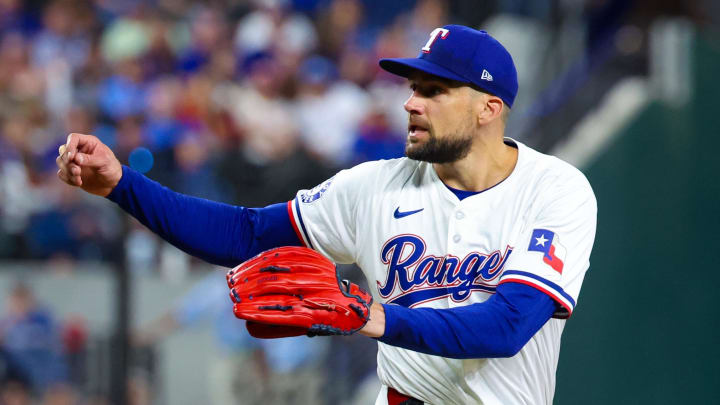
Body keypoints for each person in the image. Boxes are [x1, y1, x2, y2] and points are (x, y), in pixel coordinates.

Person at [56, 25, 597, 405]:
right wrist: (122, 185)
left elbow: (506, 326)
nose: (412, 103)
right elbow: (243, 233)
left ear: (488, 108)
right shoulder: (373, 186)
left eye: (434, 91)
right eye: (413, 88)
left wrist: (373, 317)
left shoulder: (555, 191)